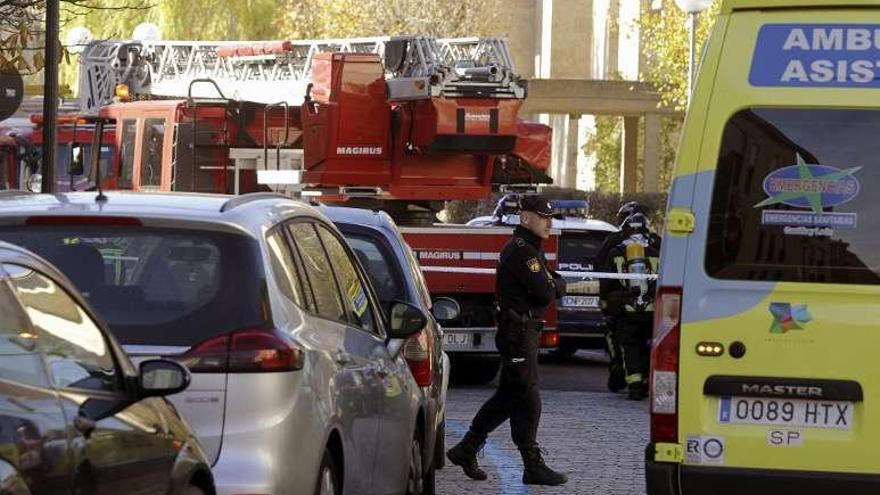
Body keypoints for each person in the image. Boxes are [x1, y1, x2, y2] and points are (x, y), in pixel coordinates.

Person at [446, 194, 568, 486]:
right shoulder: (523, 252)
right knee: (528, 398)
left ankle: (468, 448)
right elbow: (546, 293)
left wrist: (554, 283)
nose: (549, 223)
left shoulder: (530, 250)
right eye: (543, 217)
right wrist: (556, 284)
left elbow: (548, 285)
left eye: (551, 218)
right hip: (518, 334)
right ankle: (531, 463)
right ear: (526, 218)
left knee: (510, 396)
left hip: (523, 333)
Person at [598, 211, 660, 400]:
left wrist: (607, 305)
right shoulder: (656, 253)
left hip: (626, 311)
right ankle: (645, 382)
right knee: (647, 347)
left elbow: (606, 282)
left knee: (629, 347)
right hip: (651, 312)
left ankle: (635, 386)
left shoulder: (616, 252)